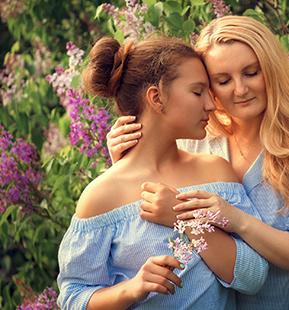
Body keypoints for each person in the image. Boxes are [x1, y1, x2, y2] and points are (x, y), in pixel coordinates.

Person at [107, 15, 289, 309]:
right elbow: (155, 225)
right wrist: (126, 167)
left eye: (251, 73)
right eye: (223, 81)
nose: (240, 89)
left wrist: (237, 220)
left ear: (270, 70)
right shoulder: (193, 141)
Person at [56, 36, 269, 310]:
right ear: (157, 98)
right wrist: (132, 289)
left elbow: (254, 277)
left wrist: (184, 220)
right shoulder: (100, 197)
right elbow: (73, 299)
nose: (211, 105)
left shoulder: (216, 172)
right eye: (197, 92)